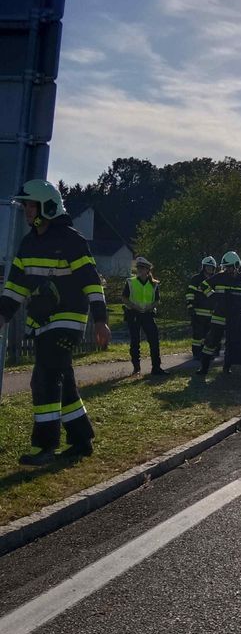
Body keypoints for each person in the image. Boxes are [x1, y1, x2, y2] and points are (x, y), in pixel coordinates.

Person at [0, 179, 111, 465]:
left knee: (45, 377)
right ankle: (81, 439)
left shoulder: (71, 240)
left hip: (69, 319)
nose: (25, 210)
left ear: (47, 207)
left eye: (30, 205)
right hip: (43, 320)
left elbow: (91, 282)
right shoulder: (28, 243)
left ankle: (45, 445)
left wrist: (101, 321)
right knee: (63, 379)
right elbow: (15, 288)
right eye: (24, 205)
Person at [196, 250, 241, 376]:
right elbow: (203, 285)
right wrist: (213, 298)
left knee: (231, 343)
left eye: (230, 267)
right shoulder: (219, 277)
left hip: (235, 317)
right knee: (211, 341)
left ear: (236, 266)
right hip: (219, 315)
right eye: (226, 267)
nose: (228, 269)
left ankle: (227, 367)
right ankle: (204, 368)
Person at [122, 256, 167, 376]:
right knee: (135, 342)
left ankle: (156, 368)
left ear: (148, 270)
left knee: (154, 341)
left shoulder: (154, 284)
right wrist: (134, 306)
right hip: (134, 314)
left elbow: (157, 300)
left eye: (142, 268)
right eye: (138, 268)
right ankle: (136, 368)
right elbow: (124, 298)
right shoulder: (130, 282)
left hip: (148, 314)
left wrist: (150, 307)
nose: (140, 270)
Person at [186, 256, 217, 360]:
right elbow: (190, 293)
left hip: (211, 313)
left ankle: (207, 354)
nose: (209, 269)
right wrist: (190, 306)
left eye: (211, 267)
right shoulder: (196, 279)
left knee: (209, 335)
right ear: (203, 267)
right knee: (198, 336)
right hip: (198, 313)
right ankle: (196, 354)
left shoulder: (215, 280)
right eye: (208, 267)